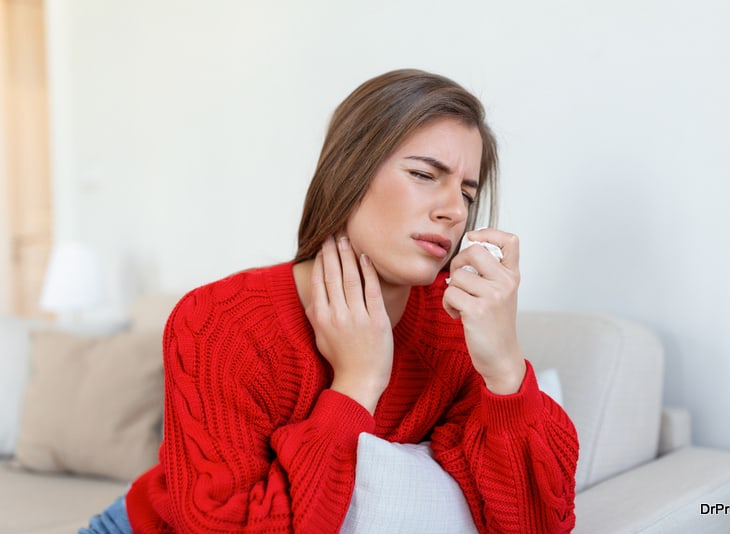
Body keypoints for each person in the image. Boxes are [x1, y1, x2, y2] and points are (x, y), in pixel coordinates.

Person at [80, 69, 578, 533]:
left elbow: (536, 524)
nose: (453, 210)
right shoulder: (217, 321)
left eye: (467, 193)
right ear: (350, 173)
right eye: (425, 175)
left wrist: (506, 369)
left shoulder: (456, 330)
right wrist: (357, 383)